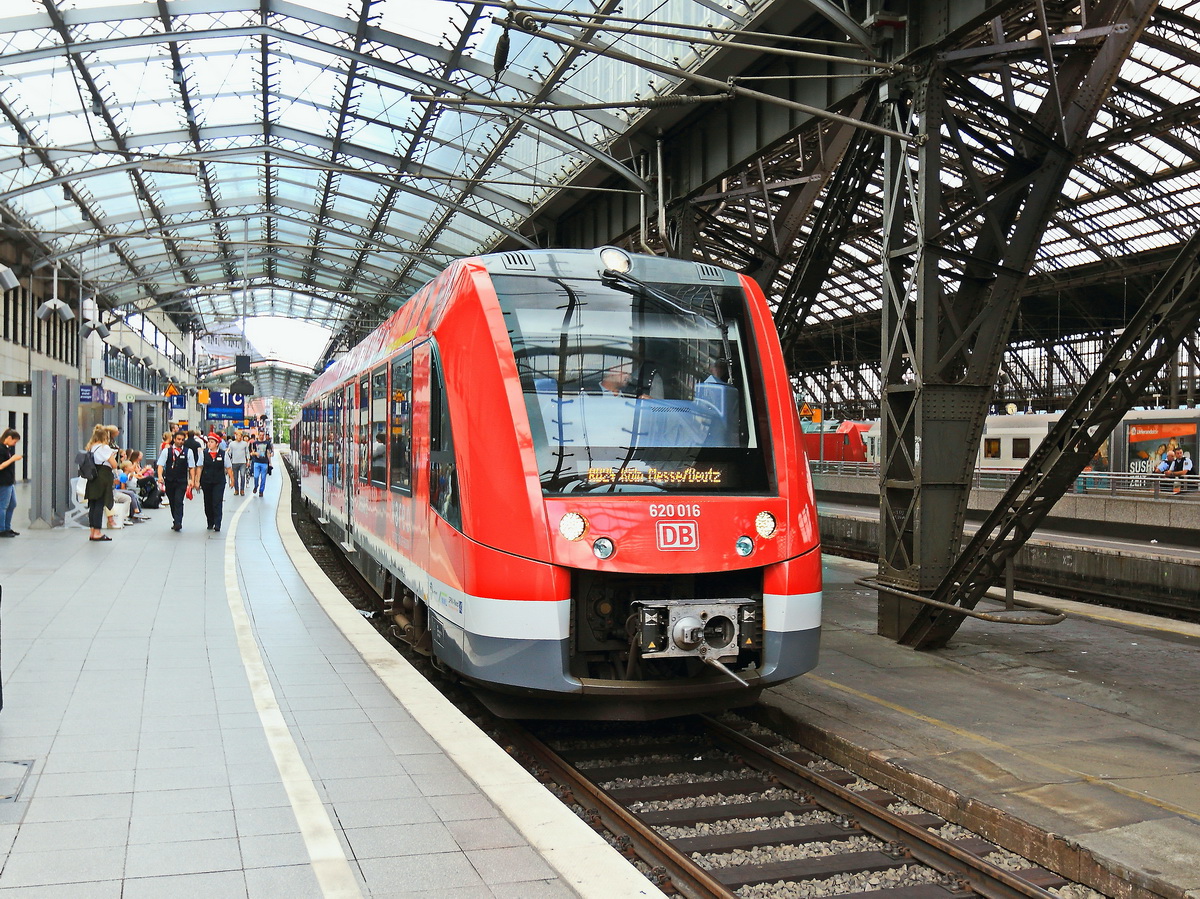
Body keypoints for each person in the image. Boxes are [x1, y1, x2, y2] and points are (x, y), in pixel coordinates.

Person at [83, 423, 117, 542]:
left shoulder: (91, 447)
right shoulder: (104, 448)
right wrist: (112, 455)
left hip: (93, 477)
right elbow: (114, 464)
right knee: (99, 504)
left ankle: (92, 531)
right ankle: (97, 532)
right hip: (103, 476)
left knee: (93, 504)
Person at [196, 434, 234, 531]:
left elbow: (228, 467)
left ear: (217, 444)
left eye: (212, 442)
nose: (209, 444)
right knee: (208, 502)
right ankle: (210, 521)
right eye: (208, 442)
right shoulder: (203, 453)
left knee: (217, 502)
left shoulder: (223, 454)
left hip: (219, 481)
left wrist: (232, 480)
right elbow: (199, 467)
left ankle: (217, 523)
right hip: (206, 481)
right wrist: (197, 481)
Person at [157, 430, 193, 531]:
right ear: (174, 439)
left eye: (182, 440)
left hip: (182, 481)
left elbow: (191, 467)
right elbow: (160, 464)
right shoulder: (167, 451)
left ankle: (178, 522)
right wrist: (160, 476)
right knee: (172, 501)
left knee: (179, 501)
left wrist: (192, 479)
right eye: (178, 439)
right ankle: (175, 519)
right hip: (169, 480)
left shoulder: (188, 451)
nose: (180, 441)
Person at [0, 428, 22, 537]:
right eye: (14, 441)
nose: (14, 444)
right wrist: (12, 459)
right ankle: (1, 529)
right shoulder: (1, 449)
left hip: (9, 482)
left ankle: (7, 528)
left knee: (12, 504)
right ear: (8, 438)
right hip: (3, 482)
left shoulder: (6, 449)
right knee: (3, 505)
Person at [248, 430, 272, 497]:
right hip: (256, 462)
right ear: (258, 435)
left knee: (263, 478)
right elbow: (251, 453)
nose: (261, 436)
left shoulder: (267, 443)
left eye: (262, 435)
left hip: (264, 462)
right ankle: (256, 486)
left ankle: (261, 491)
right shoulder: (254, 443)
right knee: (256, 476)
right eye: (260, 435)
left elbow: (268, 453)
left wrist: (270, 462)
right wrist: (255, 453)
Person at [227, 431, 250, 495]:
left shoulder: (245, 444)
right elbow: (229, 453)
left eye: (240, 436)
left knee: (242, 476)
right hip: (234, 462)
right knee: (235, 477)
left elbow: (247, 452)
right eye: (238, 435)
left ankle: (242, 490)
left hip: (243, 462)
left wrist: (248, 460)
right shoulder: (232, 444)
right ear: (235, 436)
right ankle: (236, 490)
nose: (239, 437)